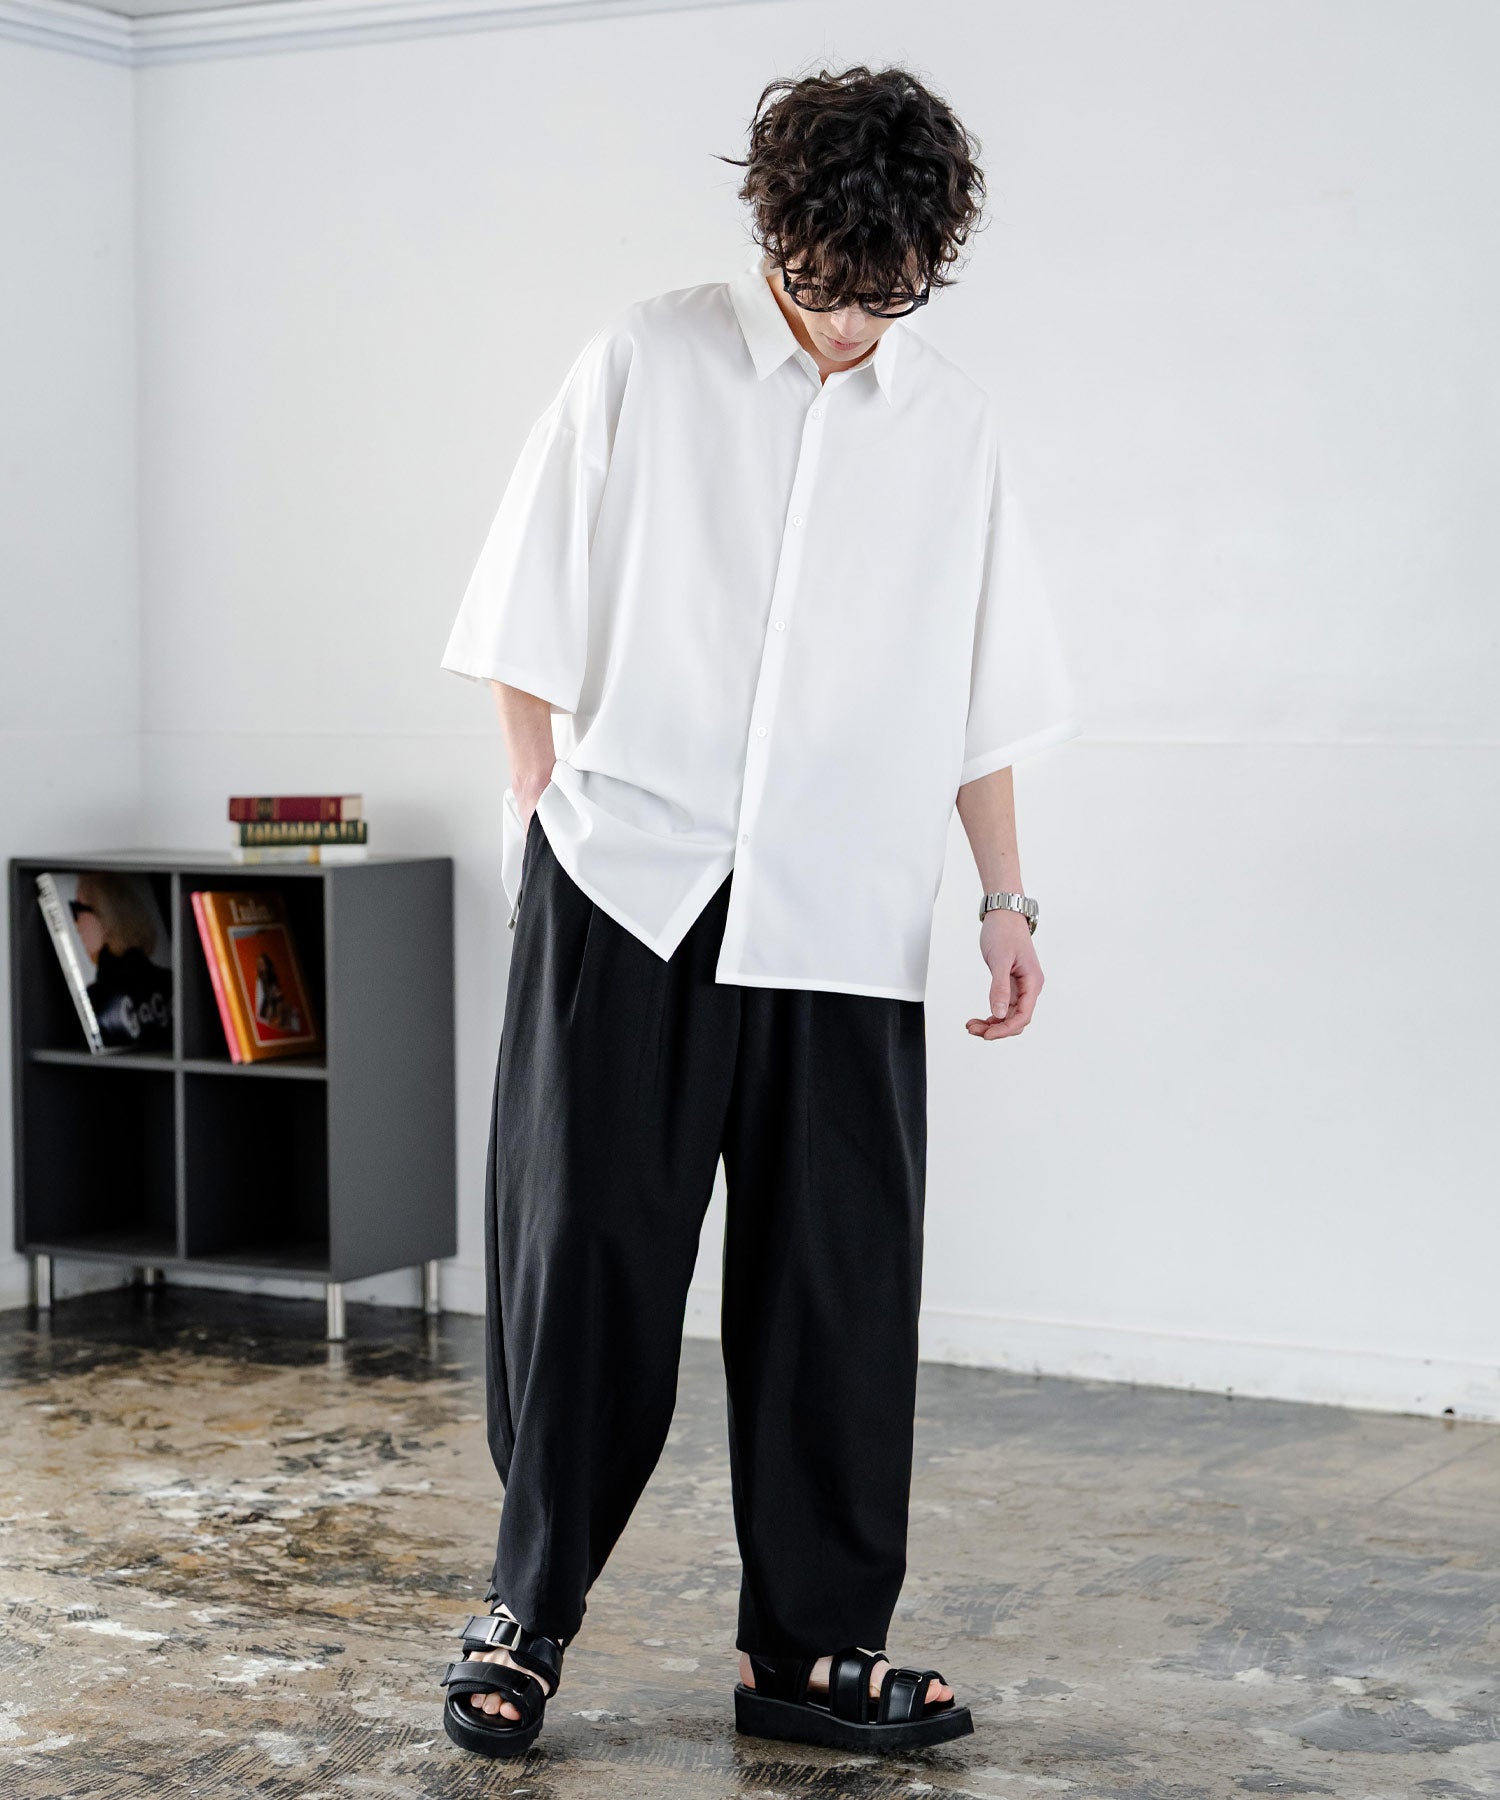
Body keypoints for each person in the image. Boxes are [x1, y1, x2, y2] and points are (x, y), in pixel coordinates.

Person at [436, 62, 1081, 1759]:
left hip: (846, 911)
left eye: (885, 297)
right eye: (822, 286)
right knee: (587, 1260)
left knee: (839, 1285)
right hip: (630, 887)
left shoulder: (954, 430)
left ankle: (807, 1650)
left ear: (927, 264)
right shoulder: (644, 360)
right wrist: (541, 810)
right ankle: (526, 1612)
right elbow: (520, 607)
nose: (848, 325)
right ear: (774, 235)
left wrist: (1006, 898)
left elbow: (981, 696)